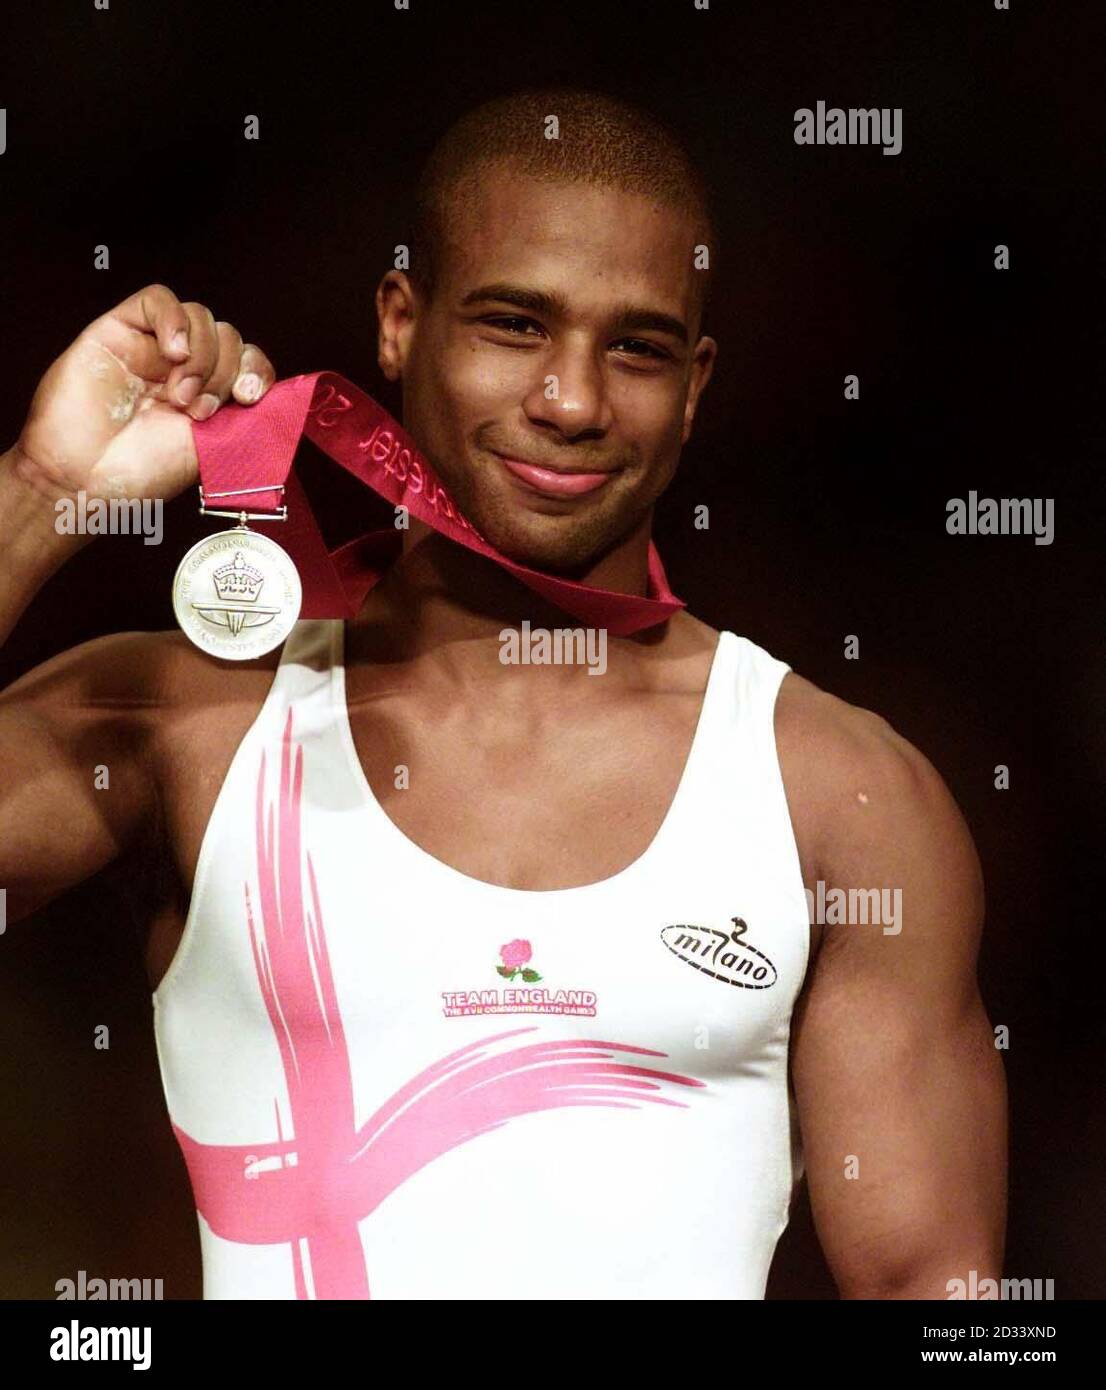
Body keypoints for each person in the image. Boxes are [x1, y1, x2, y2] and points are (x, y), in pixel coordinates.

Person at [0, 88, 1006, 1300]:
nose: (570, 401)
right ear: (398, 323)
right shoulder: (188, 725)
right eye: (515, 325)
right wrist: (43, 489)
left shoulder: (840, 795)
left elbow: (937, 1294)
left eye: (634, 348)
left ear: (693, 385)